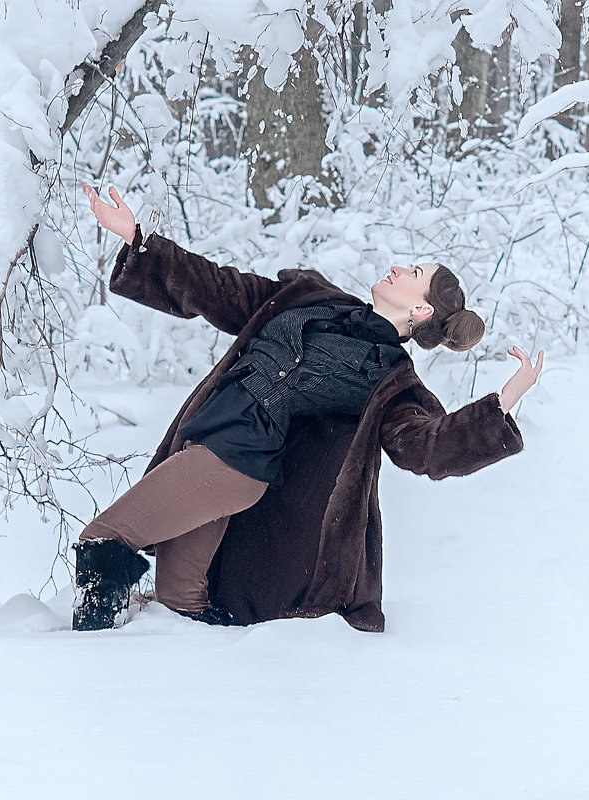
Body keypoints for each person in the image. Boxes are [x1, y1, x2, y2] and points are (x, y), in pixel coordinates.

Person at [73, 184, 544, 632]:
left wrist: (500, 407)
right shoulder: (312, 299)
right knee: (180, 604)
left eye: (414, 275)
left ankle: (84, 659)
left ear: (421, 312)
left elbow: (427, 446)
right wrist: (139, 241)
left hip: (235, 462)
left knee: (104, 540)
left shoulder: (390, 378)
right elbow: (218, 287)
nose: (399, 269)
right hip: (204, 440)